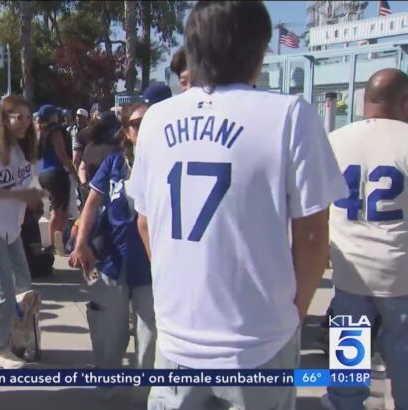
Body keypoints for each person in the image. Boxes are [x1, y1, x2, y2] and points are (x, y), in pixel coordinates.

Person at [127, 2, 347, 409]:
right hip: (258, 341)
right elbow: (314, 234)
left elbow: (144, 223)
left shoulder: (155, 120)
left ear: (192, 50)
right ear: (260, 51)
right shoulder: (289, 114)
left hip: (177, 336)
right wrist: (292, 314)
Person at [323, 68, 408, 410]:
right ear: (404, 101)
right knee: (402, 365)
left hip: (349, 272)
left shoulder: (334, 141)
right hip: (400, 274)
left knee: (348, 367)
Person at [70, 103, 155, 398]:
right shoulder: (114, 162)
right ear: (126, 132)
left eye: (149, 123)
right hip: (114, 260)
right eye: (136, 124)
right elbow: (92, 204)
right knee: (111, 331)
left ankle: (146, 393)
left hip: (152, 266)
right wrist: (81, 243)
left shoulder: (167, 162)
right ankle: (107, 377)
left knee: (150, 334)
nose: (142, 129)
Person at [0, 95, 46, 369]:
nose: (25, 123)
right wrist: (20, 194)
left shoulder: (25, 149)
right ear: (4, 119)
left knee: (25, 287)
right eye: (18, 117)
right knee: (3, 292)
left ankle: (4, 333)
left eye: (28, 118)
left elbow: (30, 182)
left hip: (13, 229)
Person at [37, 104, 78, 256]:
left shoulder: (41, 132)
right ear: (52, 116)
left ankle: (57, 244)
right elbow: (61, 153)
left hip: (43, 173)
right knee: (59, 211)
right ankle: (53, 245)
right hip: (56, 172)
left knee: (60, 210)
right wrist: (73, 171)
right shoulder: (55, 131)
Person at [78, 111, 123, 185]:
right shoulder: (117, 150)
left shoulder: (90, 146)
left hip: (91, 191)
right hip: (107, 193)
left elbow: (82, 168)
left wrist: (85, 185)